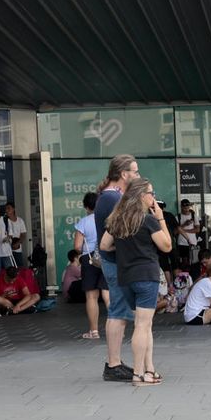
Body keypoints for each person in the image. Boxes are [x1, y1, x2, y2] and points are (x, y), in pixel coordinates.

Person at [101, 178, 171, 386]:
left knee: (145, 324)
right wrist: (161, 219)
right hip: (146, 275)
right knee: (142, 325)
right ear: (141, 195)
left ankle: (149, 369)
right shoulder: (148, 220)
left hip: (125, 277)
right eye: (151, 193)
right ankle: (139, 374)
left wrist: (124, 250)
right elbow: (166, 246)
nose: (154, 197)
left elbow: (104, 245)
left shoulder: (117, 219)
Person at [96, 155, 140, 380]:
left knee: (119, 310)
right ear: (124, 174)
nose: (137, 176)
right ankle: (113, 364)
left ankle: (115, 362)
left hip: (114, 262)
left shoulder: (110, 197)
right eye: (135, 171)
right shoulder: (112, 199)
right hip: (114, 263)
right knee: (118, 311)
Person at [73, 191, 108, 340]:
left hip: (90, 260)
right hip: (106, 257)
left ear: (86, 206)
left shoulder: (83, 222)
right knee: (108, 294)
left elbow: (77, 247)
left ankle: (94, 331)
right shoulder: (106, 220)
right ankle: (117, 328)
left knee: (92, 297)